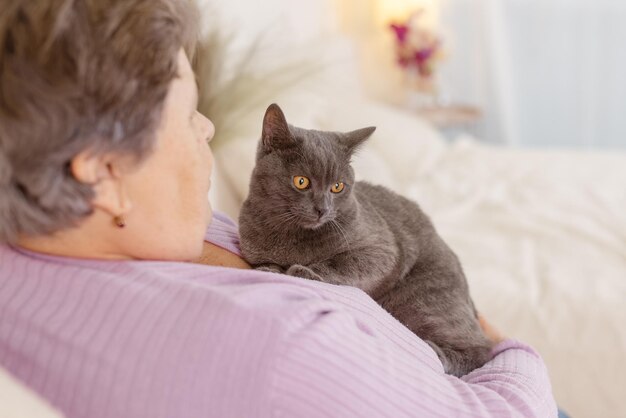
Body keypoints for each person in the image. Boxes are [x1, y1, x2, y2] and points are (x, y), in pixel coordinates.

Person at [0, 0, 559, 417]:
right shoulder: (284, 348)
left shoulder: (42, 248)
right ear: (103, 170)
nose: (209, 128)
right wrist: (513, 348)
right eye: (190, 111)